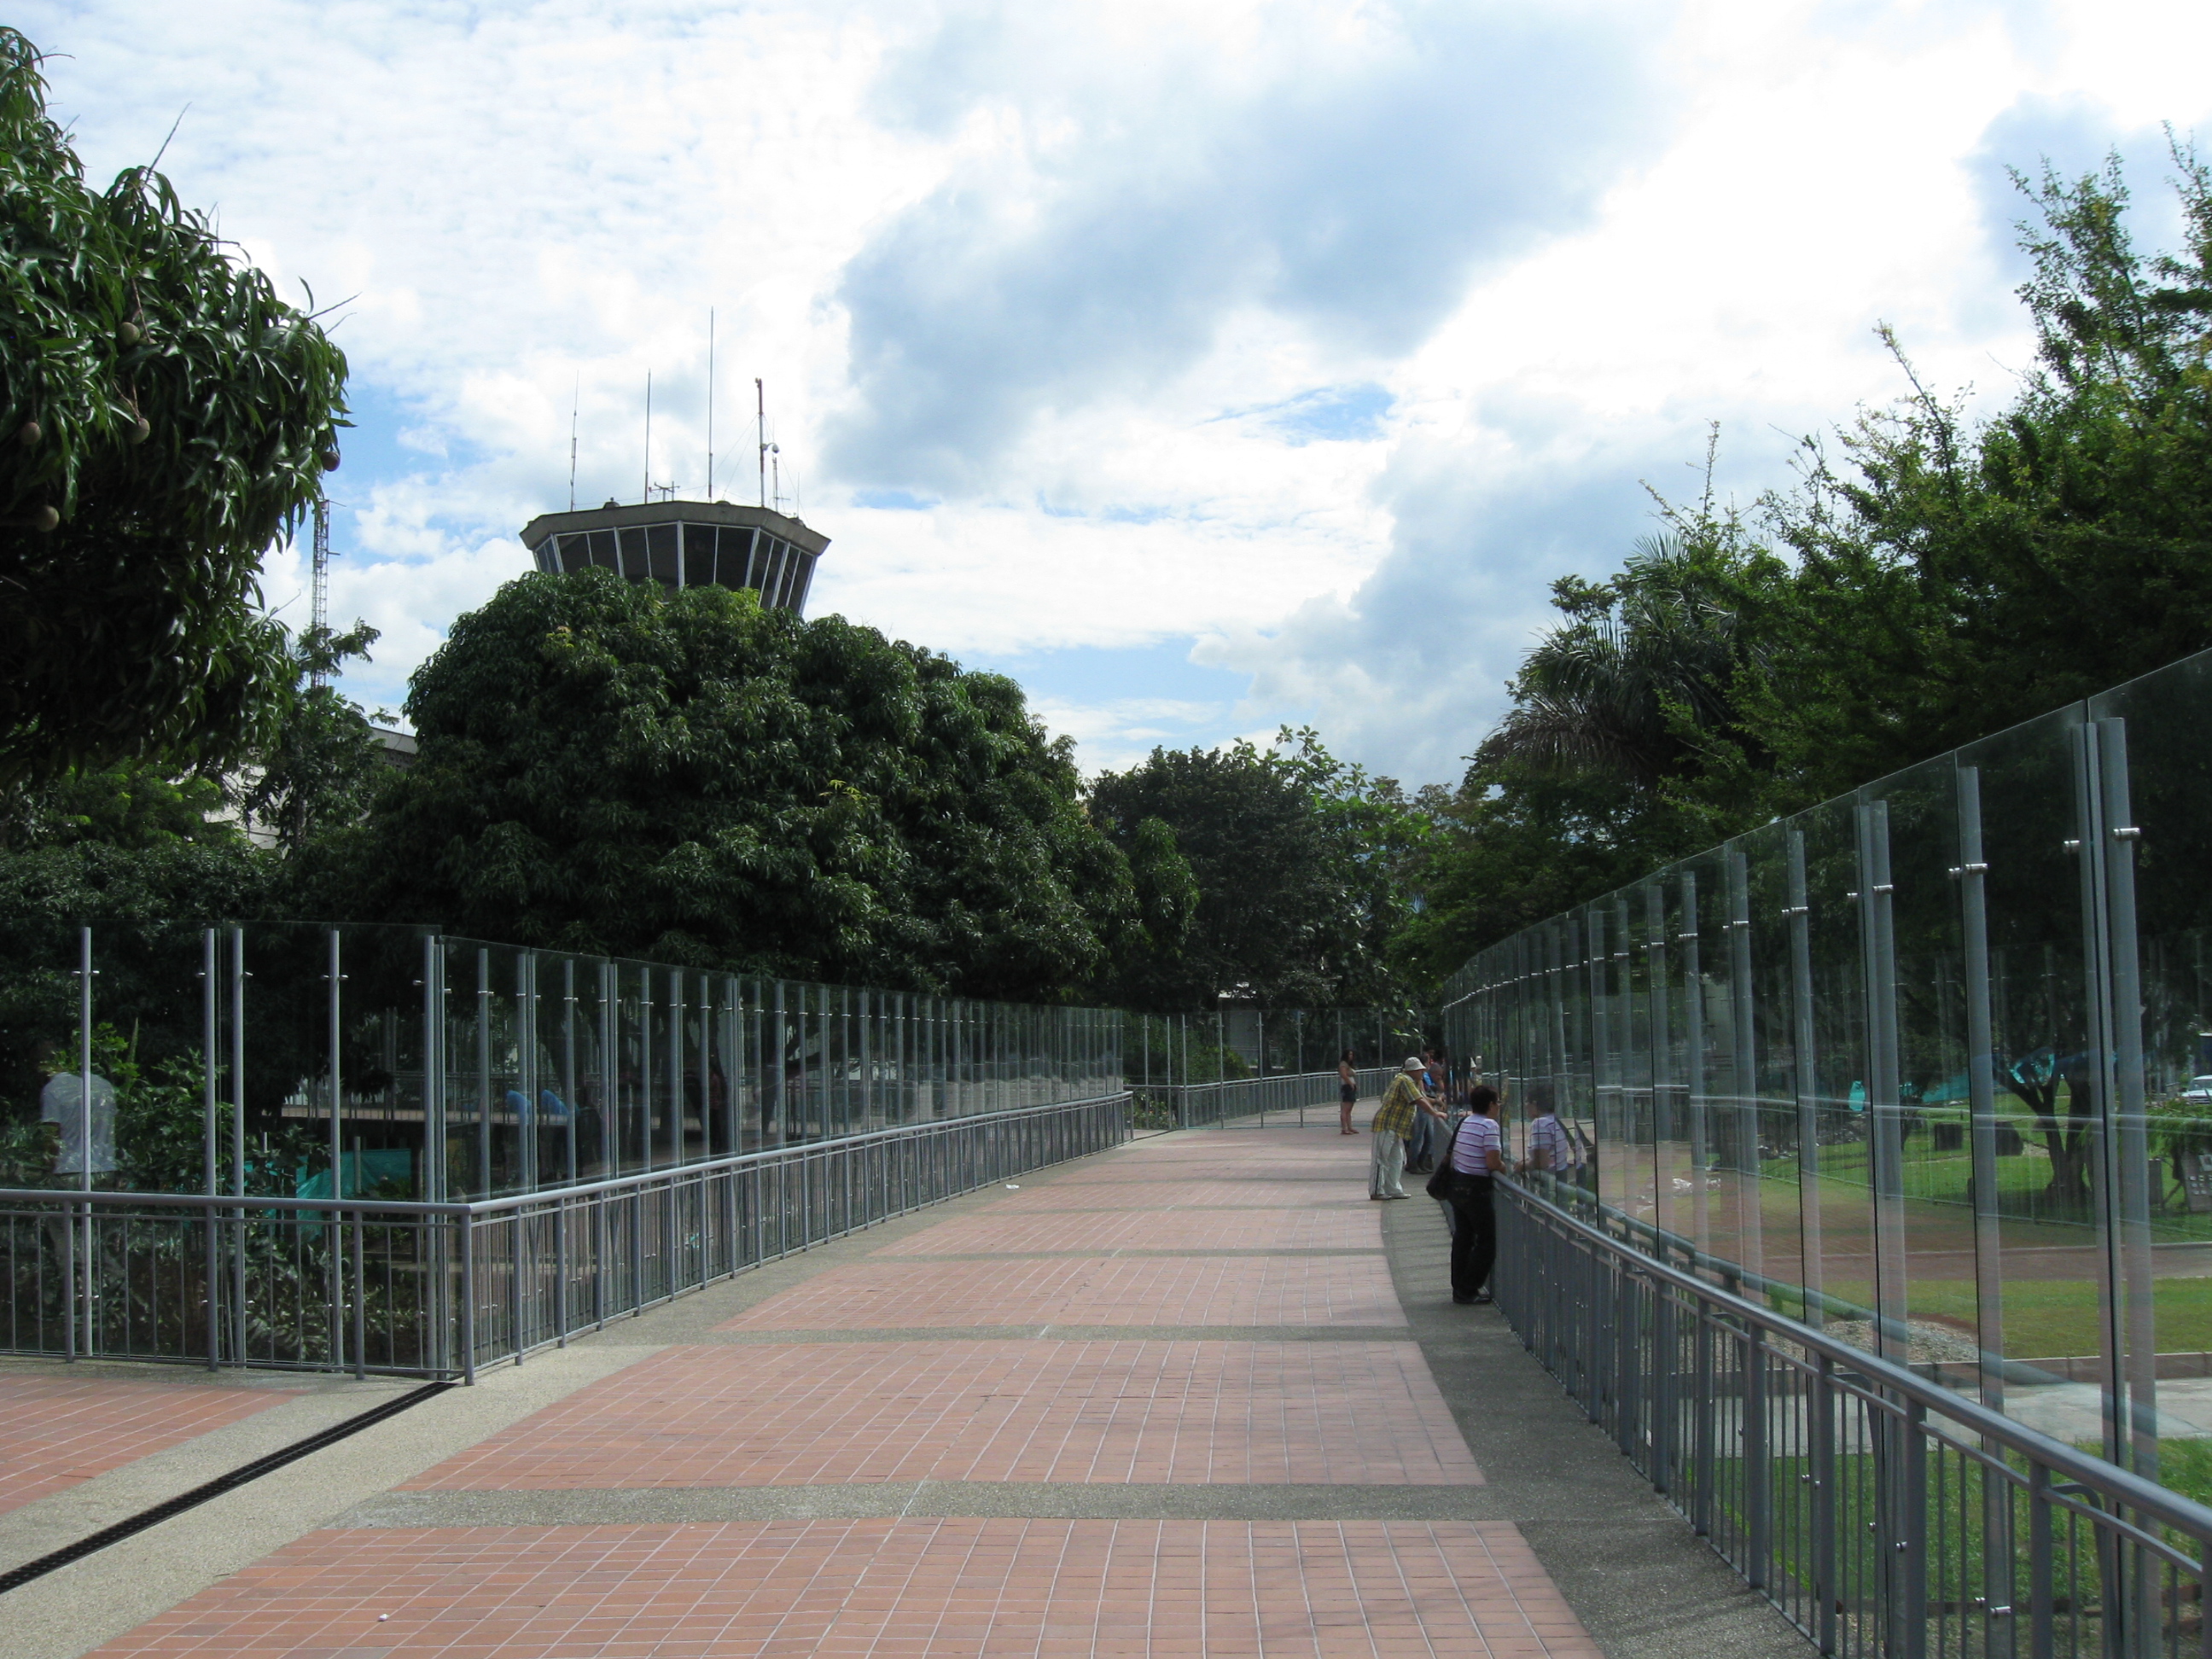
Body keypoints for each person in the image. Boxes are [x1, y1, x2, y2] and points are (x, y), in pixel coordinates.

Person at [1442, 1083, 1505, 1303]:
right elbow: (1492, 1162)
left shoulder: (1465, 1121)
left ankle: (1459, 1287)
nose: (1499, 1107)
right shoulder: (1490, 1126)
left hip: (1458, 1186)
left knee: (1463, 1238)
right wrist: (1503, 1168)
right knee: (1486, 1242)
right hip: (1476, 1190)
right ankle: (1469, 1287)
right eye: (1497, 1102)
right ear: (1490, 1105)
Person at [1370, 1056, 1444, 1201]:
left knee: (1397, 1159)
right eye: (1420, 1071)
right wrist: (1435, 1113)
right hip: (1387, 1125)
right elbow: (1419, 1100)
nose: (1423, 1073)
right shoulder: (1405, 1081)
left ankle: (1393, 1188)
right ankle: (1376, 1190)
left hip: (1396, 1127)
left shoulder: (1409, 1081)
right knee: (1382, 1158)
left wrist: (1435, 1104)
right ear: (1412, 1071)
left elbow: (1421, 1096)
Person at [1336, 1050, 1359, 1136]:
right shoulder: (1343, 1064)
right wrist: (1350, 1084)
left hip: (1351, 1086)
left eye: (1352, 1054)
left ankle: (1350, 1127)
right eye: (1349, 1054)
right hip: (1347, 1086)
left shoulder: (1349, 1065)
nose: (1351, 1056)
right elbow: (1344, 1075)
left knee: (1349, 1109)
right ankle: (1344, 1128)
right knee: (1345, 1109)